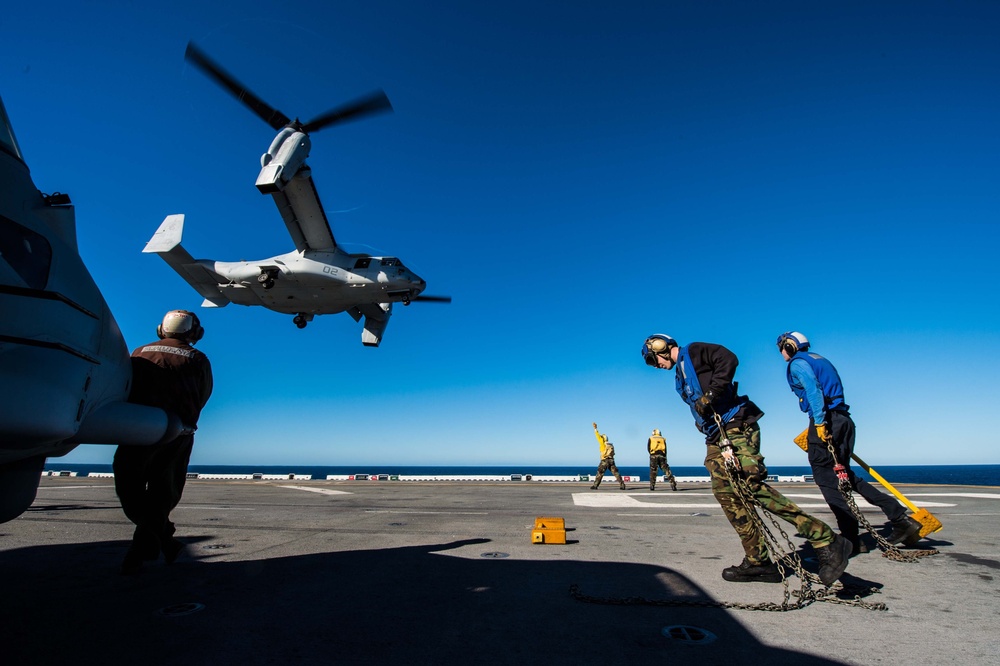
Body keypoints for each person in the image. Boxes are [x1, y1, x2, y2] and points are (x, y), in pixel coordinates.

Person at [641, 334, 851, 586]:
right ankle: (758, 561)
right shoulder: (680, 375)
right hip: (716, 436)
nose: (656, 366)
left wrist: (713, 393)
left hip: (736, 426)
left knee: (749, 485)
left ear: (660, 348)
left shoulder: (694, 351)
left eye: (654, 361)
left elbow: (728, 358)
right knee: (726, 493)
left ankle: (826, 539)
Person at [776, 331, 922, 554]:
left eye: (781, 347)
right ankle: (900, 519)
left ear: (790, 346)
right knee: (846, 476)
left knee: (826, 479)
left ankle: (851, 539)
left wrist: (820, 422)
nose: (781, 352)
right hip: (844, 421)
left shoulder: (798, 364)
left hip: (827, 420)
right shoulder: (819, 360)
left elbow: (814, 391)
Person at [114, 310, 213, 574]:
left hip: (135, 431)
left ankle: (148, 547)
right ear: (195, 333)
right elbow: (203, 396)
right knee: (163, 493)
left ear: (161, 329)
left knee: (128, 488)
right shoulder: (198, 358)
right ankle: (161, 540)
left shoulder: (139, 352)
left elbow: (124, 387)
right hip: (178, 434)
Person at [591, 422, 626, 490]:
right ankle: (622, 484)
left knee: (600, 473)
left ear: (603, 439)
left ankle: (595, 485)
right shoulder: (611, 445)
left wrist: (595, 429)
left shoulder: (602, 444)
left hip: (604, 460)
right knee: (616, 473)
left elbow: (597, 436)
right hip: (611, 460)